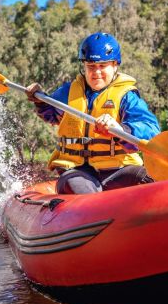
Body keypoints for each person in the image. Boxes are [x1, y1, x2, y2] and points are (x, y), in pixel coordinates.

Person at [25, 32, 160, 195]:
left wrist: (121, 129)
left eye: (102, 66)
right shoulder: (68, 92)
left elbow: (150, 128)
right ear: (84, 66)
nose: (96, 72)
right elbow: (51, 114)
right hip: (77, 171)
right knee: (76, 184)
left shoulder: (126, 96)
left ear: (115, 65)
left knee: (145, 178)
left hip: (116, 171)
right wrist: (40, 99)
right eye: (91, 66)